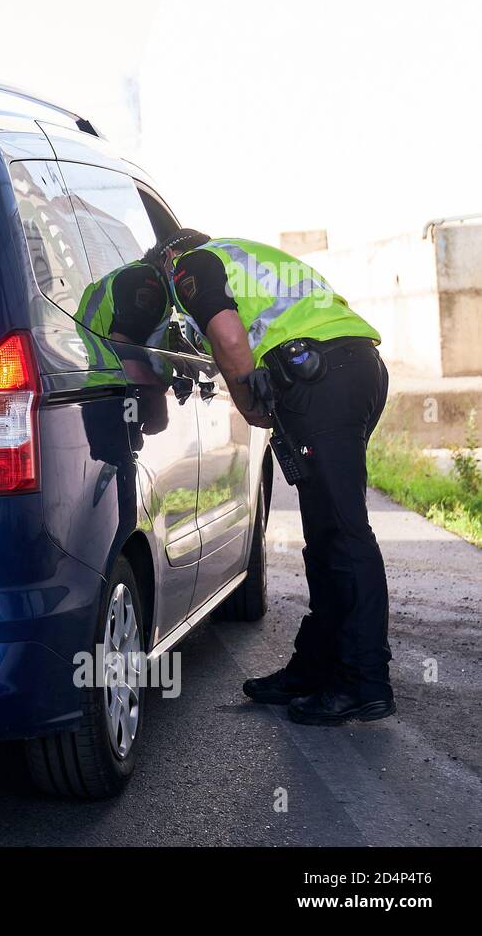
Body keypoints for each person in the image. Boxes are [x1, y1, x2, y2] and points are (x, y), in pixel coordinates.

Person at [146, 229, 393, 726]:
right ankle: (317, 669)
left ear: (170, 256)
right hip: (352, 369)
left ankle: (363, 683)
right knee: (326, 533)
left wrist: (251, 409)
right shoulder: (248, 256)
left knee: (343, 533)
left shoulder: (191, 264)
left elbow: (229, 336)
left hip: (320, 380)